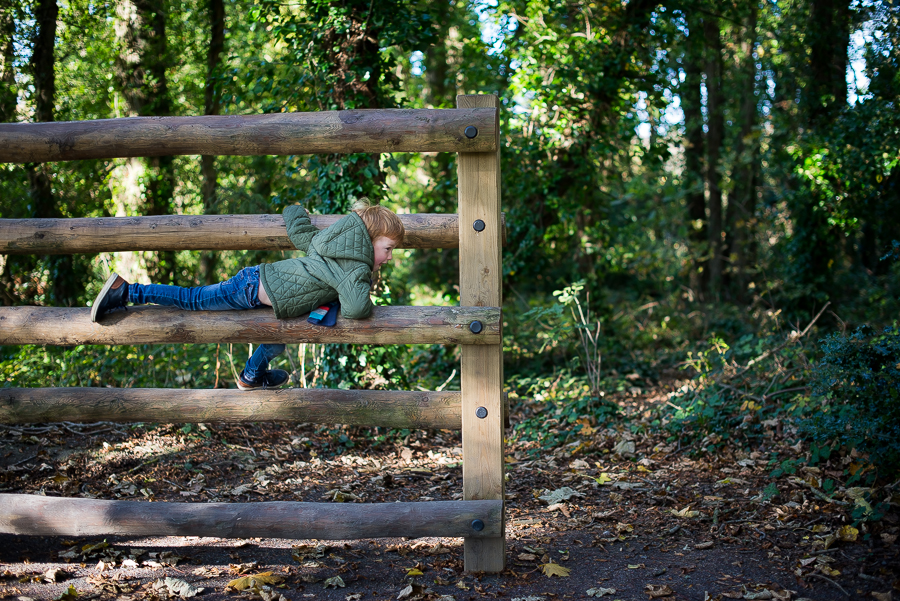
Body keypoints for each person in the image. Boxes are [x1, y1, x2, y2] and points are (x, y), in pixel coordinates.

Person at [90, 199, 404, 390]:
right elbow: (356, 307)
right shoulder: (354, 267)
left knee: (277, 341)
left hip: (263, 290)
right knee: (193, 299)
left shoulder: (329, 245)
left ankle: (250, 377)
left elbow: (301, 233)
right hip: (250, 289)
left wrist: (295, 210)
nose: (389, 258)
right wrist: (359, 276)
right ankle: (128, 290)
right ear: (368, 240)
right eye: (387, 249)